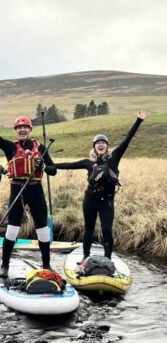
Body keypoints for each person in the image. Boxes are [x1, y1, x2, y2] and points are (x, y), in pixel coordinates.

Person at [55, 111, 147, 260]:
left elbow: (127, 139)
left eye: (103, 143)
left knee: (107, 231)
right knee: (89, 230)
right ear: (94, 147)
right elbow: (67, 164)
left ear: (107, 146)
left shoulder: (114, 158)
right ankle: (85, 258)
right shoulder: (88, 163)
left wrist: (138, 120)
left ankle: (107, 260)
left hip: (107, 202)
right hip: (90, 200)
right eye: (98, 143)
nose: (101, 144)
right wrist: (47, 165)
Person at [0, 116, 57, 277]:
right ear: (16, 130)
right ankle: (5, 265)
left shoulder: (41, 147)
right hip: (17, 189)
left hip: (35, 189)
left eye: (25, 127)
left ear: (30, 129)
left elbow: (53, 170)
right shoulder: (10, 147)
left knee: (43, 229)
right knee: (12, 229)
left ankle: (47, 265)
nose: (22, 130)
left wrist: (43, 165)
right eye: (19, 127)